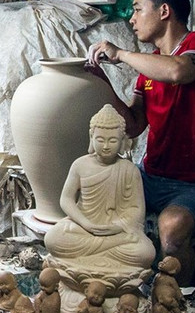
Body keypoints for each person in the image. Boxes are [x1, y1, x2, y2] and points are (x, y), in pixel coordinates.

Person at [88, 0, 195, 286]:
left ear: (164, 11)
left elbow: (179, 71)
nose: (132, 19)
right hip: (152, 177)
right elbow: (133, 126)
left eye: (138, 9)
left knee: (172, 227)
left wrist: (122, 54)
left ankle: (176, 308)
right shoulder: (148, 71)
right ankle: (120, 287)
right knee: (91, 196)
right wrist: (102, 84)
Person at [43, 104, 156, 289]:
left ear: (122, 142)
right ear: (91, 138)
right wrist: (86, 223)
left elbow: (137, 210)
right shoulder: (80, 165)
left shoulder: (129, 170)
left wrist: (115, 227)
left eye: (112, 141)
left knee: (146, 252)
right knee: (53, 238)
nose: (105, 146)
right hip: (84, 227)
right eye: (100, 139)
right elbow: (66, 199)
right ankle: (104, 252)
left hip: (116, 230)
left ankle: (98, 255)